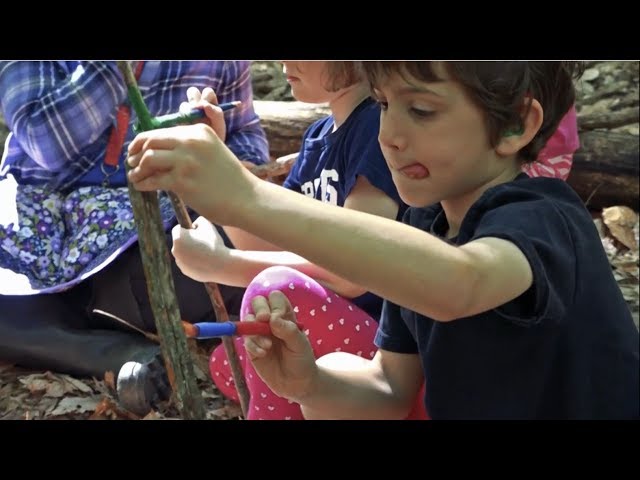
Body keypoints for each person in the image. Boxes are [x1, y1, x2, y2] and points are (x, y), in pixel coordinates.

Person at [127, 61, 639, 419]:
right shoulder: (423, 223)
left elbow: (461, 283)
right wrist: (309, 384)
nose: (389, 133)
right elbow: (389, 389)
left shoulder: (544, 219)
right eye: (383, 103)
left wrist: (249, 199)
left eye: (420, 110)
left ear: (515, 126)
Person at [0, 61, 269, 416]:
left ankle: (51, 325)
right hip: (39, 215)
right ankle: (108, 351)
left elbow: (247, 141)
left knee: (206, 255)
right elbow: (44, 143)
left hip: (143, 236)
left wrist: (212, 147)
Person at [173, 61, 421, 419]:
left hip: (389, 359)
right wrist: (212, 154)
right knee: (229, 364)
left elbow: (354, 272)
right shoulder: (319, 136)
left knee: (276, 292)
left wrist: (221, 264)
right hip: (333, 332)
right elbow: (270, 242)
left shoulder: (375, 128)